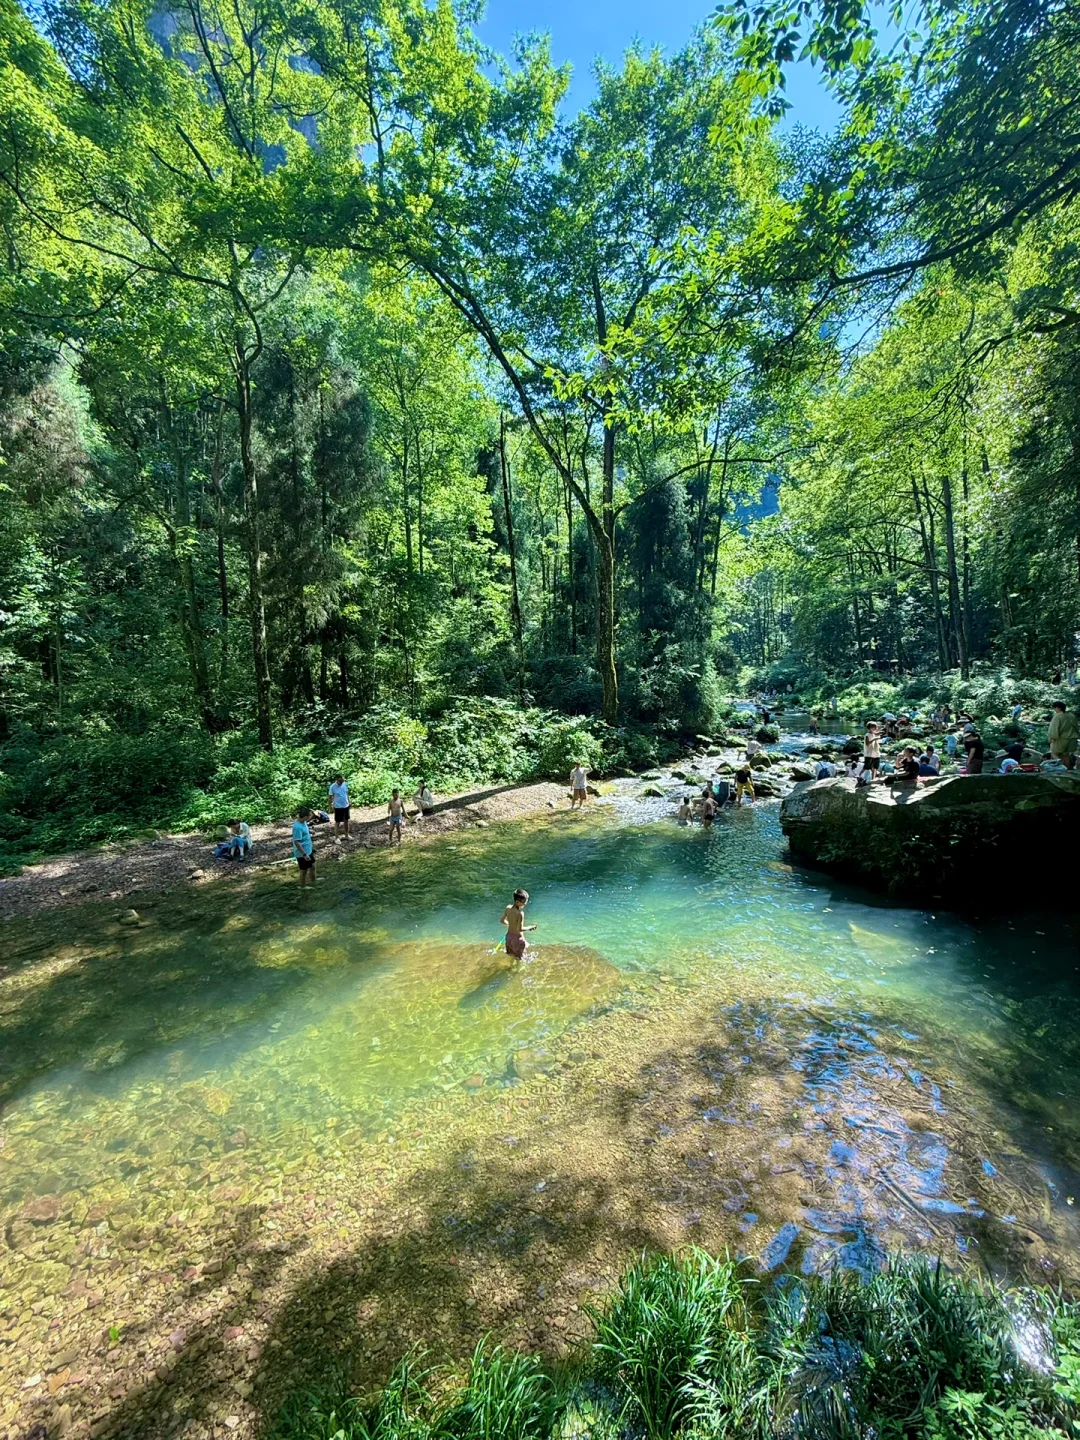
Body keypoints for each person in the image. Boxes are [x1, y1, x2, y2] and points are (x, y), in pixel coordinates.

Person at [501, 887, 536, 959]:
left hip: (509, 937)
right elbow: (520, 929)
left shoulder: (508, 908)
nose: (525, 904)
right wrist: (530, 927)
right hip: (518, 939)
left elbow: (502, 921)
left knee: (510, 955)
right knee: (521, 958)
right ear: (517, 902)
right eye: (524, 902)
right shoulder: (520, 914)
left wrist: (510, 924)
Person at [1047, 701, 1078, 770]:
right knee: (1065, 755)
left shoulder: (1058, 716)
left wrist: (1051, 738)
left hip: (1062, 739)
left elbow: (1054, 729)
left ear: (1058, 708)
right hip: (1072, 738)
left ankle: (1061, 768)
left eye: (1055, 708)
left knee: (1054, 753)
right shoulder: (1071, 716)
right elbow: (1076, 727)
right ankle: (1068, 770)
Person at [292, 806, 316, 887]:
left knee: (312, 866)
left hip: (308, 850)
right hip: (302, 853)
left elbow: (304, 830)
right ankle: (303, 887)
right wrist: (304, 854)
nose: (310, 817)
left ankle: (313, 880)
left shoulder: (303, 822)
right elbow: (297, 842)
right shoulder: (297, 827)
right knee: (303, 871)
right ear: (305, 817)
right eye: (309, 816)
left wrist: (310, 831)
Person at [328, 773, 351, 840]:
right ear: (337, 779)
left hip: (345, 805)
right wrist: (330, 807)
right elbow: (330, 797)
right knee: (337, 822)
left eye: (343, 780)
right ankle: (336, 838)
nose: (342, 782)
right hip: (338, 807)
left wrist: (349, 801)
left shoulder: (345, 784)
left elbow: (346, 793)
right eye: (340, 780)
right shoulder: (332, 787)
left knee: (346, 821)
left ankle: (347, 835)